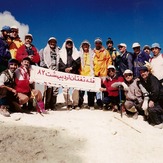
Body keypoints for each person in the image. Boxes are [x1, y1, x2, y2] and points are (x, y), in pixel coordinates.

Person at [59, 38, 81, 110]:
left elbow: (78, 62)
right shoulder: (61, 53)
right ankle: (68, 103)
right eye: (68, 43)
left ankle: (75, 104)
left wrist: (71, 68)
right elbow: (60, 63)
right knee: (65, 90)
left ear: (72, 44)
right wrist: (65, 68)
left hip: (74, 73)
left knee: (76, 89)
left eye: (70, 43)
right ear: (65, 44)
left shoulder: (76, 53)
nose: (69, 44)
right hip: (65, 73)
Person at [39, 37, 60, 110]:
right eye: (51, 42)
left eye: (54, 42)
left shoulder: (58, 51)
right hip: (48, 71)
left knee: (55, 88)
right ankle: (47, 105)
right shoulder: (43, 50)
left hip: (56, 71)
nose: (53, 43)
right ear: (48, 43)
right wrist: (46, 68)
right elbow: (41, 62)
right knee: (48, 88)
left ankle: (53, 105)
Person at [93, 38, 112, 108]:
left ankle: (105, 103)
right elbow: (91, 62)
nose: (98, 44)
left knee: (105, 88)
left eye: (99, 43)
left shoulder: (105, 52)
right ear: (95, 44)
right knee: (97, 88)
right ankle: (99, 102)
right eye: (96, 43)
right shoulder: (93, 52)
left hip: (104, 73)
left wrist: (108, 71)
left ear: (101, 44)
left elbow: (109, 61)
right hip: (96, 73)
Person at [78, 40, 95, 110]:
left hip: (90, 73)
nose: (85, 46)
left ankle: (91, 104)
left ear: (88, 46)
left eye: (86, 45)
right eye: (84, 45)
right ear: (82, 46)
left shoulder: (92, 53)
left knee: (90, 90)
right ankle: (80, 104)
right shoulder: (79, 54)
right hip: (81, 73)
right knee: (81, 90)